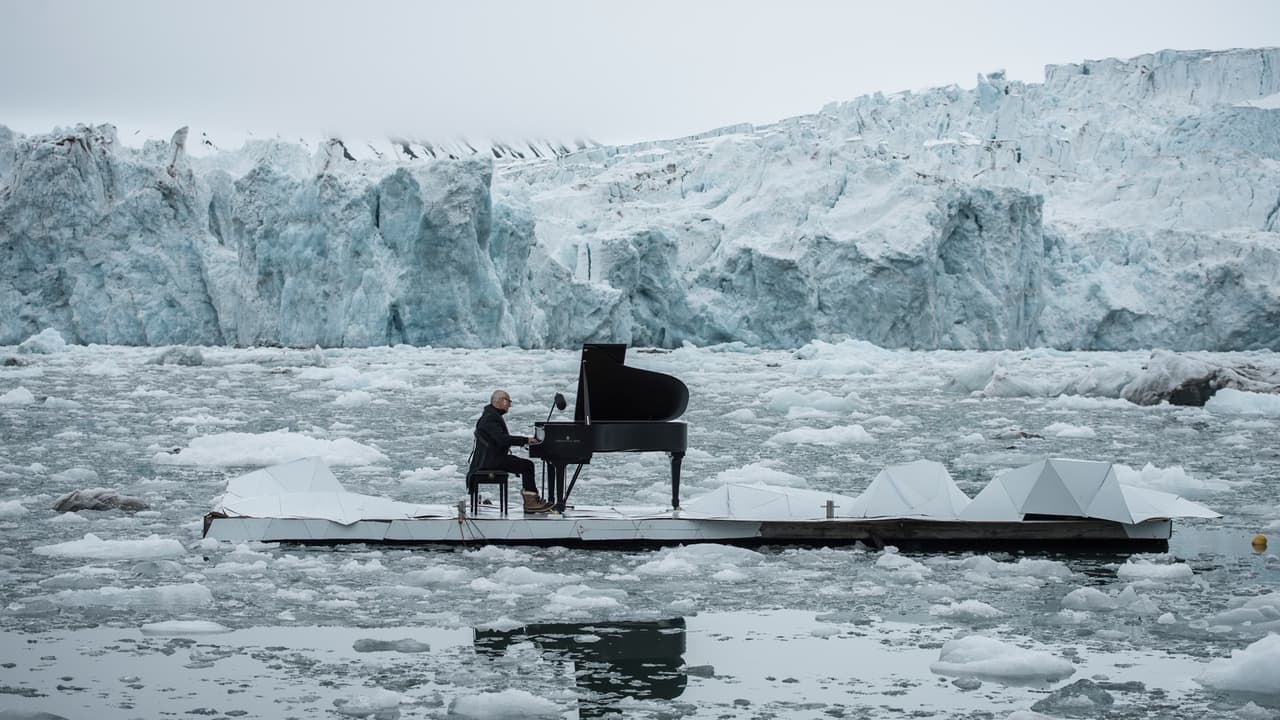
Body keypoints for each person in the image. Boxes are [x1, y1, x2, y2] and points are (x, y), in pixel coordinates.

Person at [471, 389, 551, 513]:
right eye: (509, 402)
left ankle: (532, 500)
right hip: (491, 461)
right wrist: (526, 440)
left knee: (525, 465)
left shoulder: (490, 414)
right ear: (501, 401)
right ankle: (531, 503)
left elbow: (499, 440)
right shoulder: (491, 417)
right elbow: (502, 440)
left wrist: (523, 441)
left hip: (490, 458)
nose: (509, 405)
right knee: (527, 466)